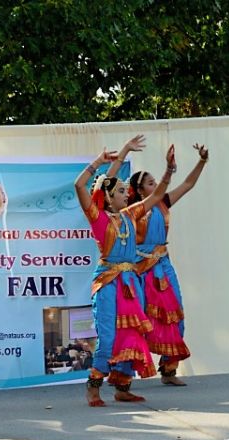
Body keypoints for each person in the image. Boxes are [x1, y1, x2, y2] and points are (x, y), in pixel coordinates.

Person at [74, 144, 175, 406]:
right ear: (109, 197)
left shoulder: (131, 214)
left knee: (133, 334)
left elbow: (158, 195)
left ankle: (122, 386)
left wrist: (168, 170)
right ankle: (94, 386)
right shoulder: (97, 218)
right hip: (108, 281)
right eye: (120, 191)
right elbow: (79, 186)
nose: (126, 193)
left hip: (131, 281)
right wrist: (98, 162)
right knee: (108, 337)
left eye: (126, 190)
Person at [109, 139, 210, 386]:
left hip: (163, 267)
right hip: (138, 269)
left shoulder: (163, 203)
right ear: (140, 190)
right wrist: (126, 152)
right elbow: (106, 187)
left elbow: (188, 184)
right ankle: (122, 376)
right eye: (151, 183)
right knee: (135, 321)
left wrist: (202, 161)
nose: (156, 185)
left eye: (156, 181)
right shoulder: (131, 210)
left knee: (175, 316)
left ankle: (169, 370)